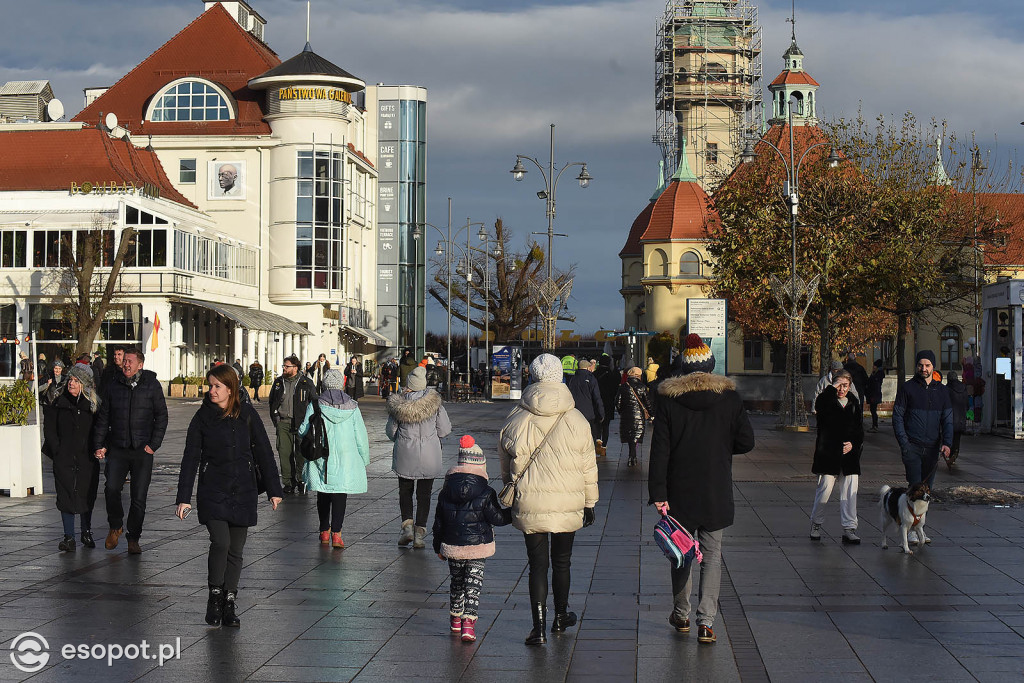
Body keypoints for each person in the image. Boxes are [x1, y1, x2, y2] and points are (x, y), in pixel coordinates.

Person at [649, 334, 754, 645]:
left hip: (679, 489)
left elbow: (660, 451)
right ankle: (706, 622)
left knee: (681, 552)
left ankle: (681, 613)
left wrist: (658, 493)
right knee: (712, 555)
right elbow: (747, 441)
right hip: (715, 487)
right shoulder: (731, 399)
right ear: (711, 366)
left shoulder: (668, 400)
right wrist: (721, 447)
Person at [499, 353, 598, 646]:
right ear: (560, 378)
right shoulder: (576, 419)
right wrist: (589, 502)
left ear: (533, 378)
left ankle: (538, 627)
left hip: (531, 501)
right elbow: (588, 466)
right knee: (563, 562)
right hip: (567, 502)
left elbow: (506, 465)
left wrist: (510, 490)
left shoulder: (516, 417)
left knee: (537, 565)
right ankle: (560, 617)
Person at [175, 364, 284, 627]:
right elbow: (190, 458)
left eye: (217, 386)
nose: (211, 391)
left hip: (243, 490)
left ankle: (229, 601)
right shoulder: (202, 418)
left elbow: (264, 453)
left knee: (236, 550)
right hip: (213, 490)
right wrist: (183, 497)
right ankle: (214, 595)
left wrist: (274, 490)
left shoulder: (247, 414)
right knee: (220, 543)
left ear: (230, 389)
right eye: (209, 386)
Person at [433, 435, 513, 643]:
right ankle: (469, 624)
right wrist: (513, 513)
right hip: (478, 547)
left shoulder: (445, 491)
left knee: (456, 582)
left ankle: (455, 619)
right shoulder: (486, 492)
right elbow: (496, 518)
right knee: (473, 585)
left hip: (452, 546)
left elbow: (438, 522)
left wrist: (437, 546)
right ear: (480, 466)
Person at [92, 348, 168, 555]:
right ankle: (115, 525)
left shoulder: (151, 385)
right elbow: (103, 417)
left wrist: (154, 444)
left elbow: (161, 416)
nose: (126, 364)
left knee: (139, 497)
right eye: (124, 360)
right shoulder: (113, 385)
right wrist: (99, 444)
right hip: (118, 448)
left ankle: (133, 537)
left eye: (130, 361)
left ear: (140, 365)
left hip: (142, 450)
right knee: (111, 489)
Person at [297, 369, 369, 549]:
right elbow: (360, 435)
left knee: (323, 492)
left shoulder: (315, 404)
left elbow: (302, 430)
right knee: (339, 494)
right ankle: (337, 534)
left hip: (322, 456)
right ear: (342, 384)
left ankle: (324, 532)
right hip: (346, 457)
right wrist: (363, 458)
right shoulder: (353, 406)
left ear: (324, 384)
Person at [386, 366, 451, 547]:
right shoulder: (435, 403)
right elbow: (445, 430)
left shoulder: (399, 405)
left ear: (409, 384)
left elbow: (391, 432)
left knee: (405, 491)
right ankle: (420, 534)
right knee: (424, 495)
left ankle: (407, 527)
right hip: (429, 455)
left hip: (405, 454)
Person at [44, 365, 101, 552]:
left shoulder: (93, 405)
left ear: (84, 384)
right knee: (66, 494)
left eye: (76, 381)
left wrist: (99, 447)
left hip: (87, 458)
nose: (71, 383)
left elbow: (100, 429)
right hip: (64, 457)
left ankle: (86, 531)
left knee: (86, 493)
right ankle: (69, 536)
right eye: (70, 380)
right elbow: (50, 429)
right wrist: (57, 450)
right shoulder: (57, 402)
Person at [809, 370, 864, 544]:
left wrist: (853, 443)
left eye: (845, 385)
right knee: (824, 490)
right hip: (828, 454)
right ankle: (816, 524)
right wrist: (831, 389)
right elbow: (820, 406)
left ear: (850, 386)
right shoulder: (827, 399)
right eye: (838, 385)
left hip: (849, 457)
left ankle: (850, 528)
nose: (841, 389)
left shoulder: (854, 402)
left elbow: (859, 430)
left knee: (850, 494)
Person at [893, 350, 952, 494]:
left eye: (927, 365)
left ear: (933, 367)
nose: (924, 369)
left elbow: (948, 419)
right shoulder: (907, 388)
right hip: (912, 447)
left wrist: (947, 443)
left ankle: (922, 517)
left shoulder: (942, 391)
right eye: (920, 365)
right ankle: (910, 517)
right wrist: (904, 444)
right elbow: (897, 417)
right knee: (914, 489)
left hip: (933, 449)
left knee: (927, 491)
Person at [269, 355, 318, 495]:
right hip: (283, 423)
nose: (284, 368)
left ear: (295, 368)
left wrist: (309, 421)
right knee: (284, 453)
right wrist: (275, 417)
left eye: (287, 366)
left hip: (301, 423)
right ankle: (288, 483)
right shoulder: (279, 382)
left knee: (301, 453)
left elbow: (314, 401)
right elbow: (272, 400)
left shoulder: (306, 382)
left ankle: (301, 480)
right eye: (283, 366)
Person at [617, 366, 654, 467]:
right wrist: (651, 413)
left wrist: (622, 412)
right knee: (636, 435)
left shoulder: (623, 386)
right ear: (638, 376)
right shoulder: (642, 387)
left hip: (626, 415)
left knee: (630, 435)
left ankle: (631, 455)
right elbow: (647, 402)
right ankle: (632, 456)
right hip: (638, 416)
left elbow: (618, 402)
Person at [566, 358, 605, 451]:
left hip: (575, 412)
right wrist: (601, 413)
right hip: (589, 413)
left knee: (576, 434)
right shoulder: (591, 378)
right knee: (589, 435)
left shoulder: (572, 379)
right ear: (587, 368)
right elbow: (597, 397)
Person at [593, 355, 620, 456]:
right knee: (606, 425)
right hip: (608, 402)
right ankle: (604, 447)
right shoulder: (613, 375)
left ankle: (598, 441)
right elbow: (616, 387)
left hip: (597, 402)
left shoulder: (595, 374)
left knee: (597, 424)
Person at [946, 370, 968, 470]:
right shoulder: (963, 388)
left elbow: (944, 403)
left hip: (950, 417)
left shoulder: (947, 388)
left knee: (948, 436)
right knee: (957, 437)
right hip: (961, 417)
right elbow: (967, 403)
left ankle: (949, 454)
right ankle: (955, 453)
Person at [866, 359, 885, 432]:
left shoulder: (877, 374)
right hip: (874, 394)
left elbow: (875, 385)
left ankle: (875, 426)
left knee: (873, 410)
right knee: (873, 410)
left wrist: (873, 395)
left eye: (874, 365)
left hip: (874, 395)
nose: (873, 367)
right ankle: (874, 425)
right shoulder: (876, 373)